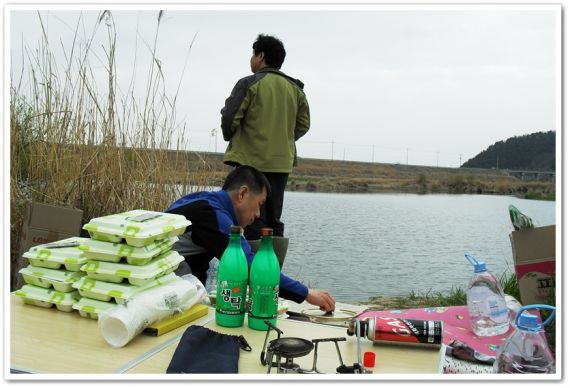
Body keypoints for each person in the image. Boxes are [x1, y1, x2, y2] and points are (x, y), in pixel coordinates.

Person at [165, 165, 335, 312]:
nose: (258, 214)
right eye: (259, 204)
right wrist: (306, 293)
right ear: (243, 194)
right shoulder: (214, 215)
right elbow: (253, 267)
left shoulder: (204, 201)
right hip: (162, 287)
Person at [220, 33, 310, 241]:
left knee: (250, 217)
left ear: (260, 56)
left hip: (250, 162)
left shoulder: (249, 83)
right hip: (281, 164)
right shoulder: (296, 90)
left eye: (253, 54)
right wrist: (284, 139)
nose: (251, 59)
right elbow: (303, 125)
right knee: (273, 219)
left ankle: (249, 269)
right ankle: (273, 268)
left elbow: (230, 117)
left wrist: (230, 135)